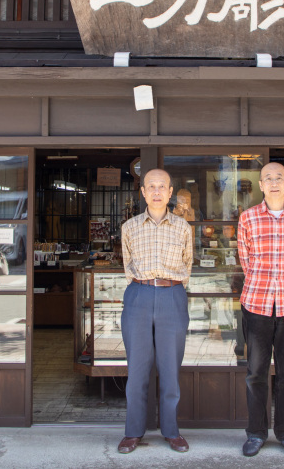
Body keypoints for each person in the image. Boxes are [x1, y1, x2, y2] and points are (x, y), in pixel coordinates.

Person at [237, 162, 284, 458]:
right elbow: (246, 260)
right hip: (256, 303)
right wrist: (265, 283)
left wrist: (283, 284)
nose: (274, 182)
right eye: (268, 178)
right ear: (261, 185)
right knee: (256, 372)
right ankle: (256, 433)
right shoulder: (248, 218)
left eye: (279, 178)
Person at [117, 169, 194, 455]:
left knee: (170, 368)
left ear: (171, 192)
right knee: (137, 369)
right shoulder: (130, 227)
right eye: (152, 186)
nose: (158, 191)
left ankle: (172, 431)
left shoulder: (183, 228)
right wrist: (144, 286)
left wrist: (170, 286)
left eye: (163, 186)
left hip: (172, 294)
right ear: (144, 192)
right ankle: (133, 431)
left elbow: (187, 265)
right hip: (138, 294)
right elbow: (128, 266)